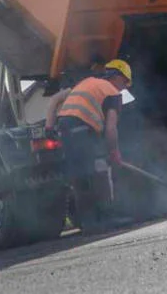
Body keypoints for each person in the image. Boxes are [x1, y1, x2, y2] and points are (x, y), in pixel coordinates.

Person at [44, 59, 133, 229]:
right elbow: (111, 128)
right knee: (99, 170)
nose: (124, 87)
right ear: (117, 76)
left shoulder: (86, 83)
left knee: (80, 175)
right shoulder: (112, 92)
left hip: (66, 128)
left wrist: (49, 126)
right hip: (83, 129)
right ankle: (106, 218)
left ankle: (89, 223)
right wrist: (114, 152)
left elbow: (54, 99)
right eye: (125, 82)